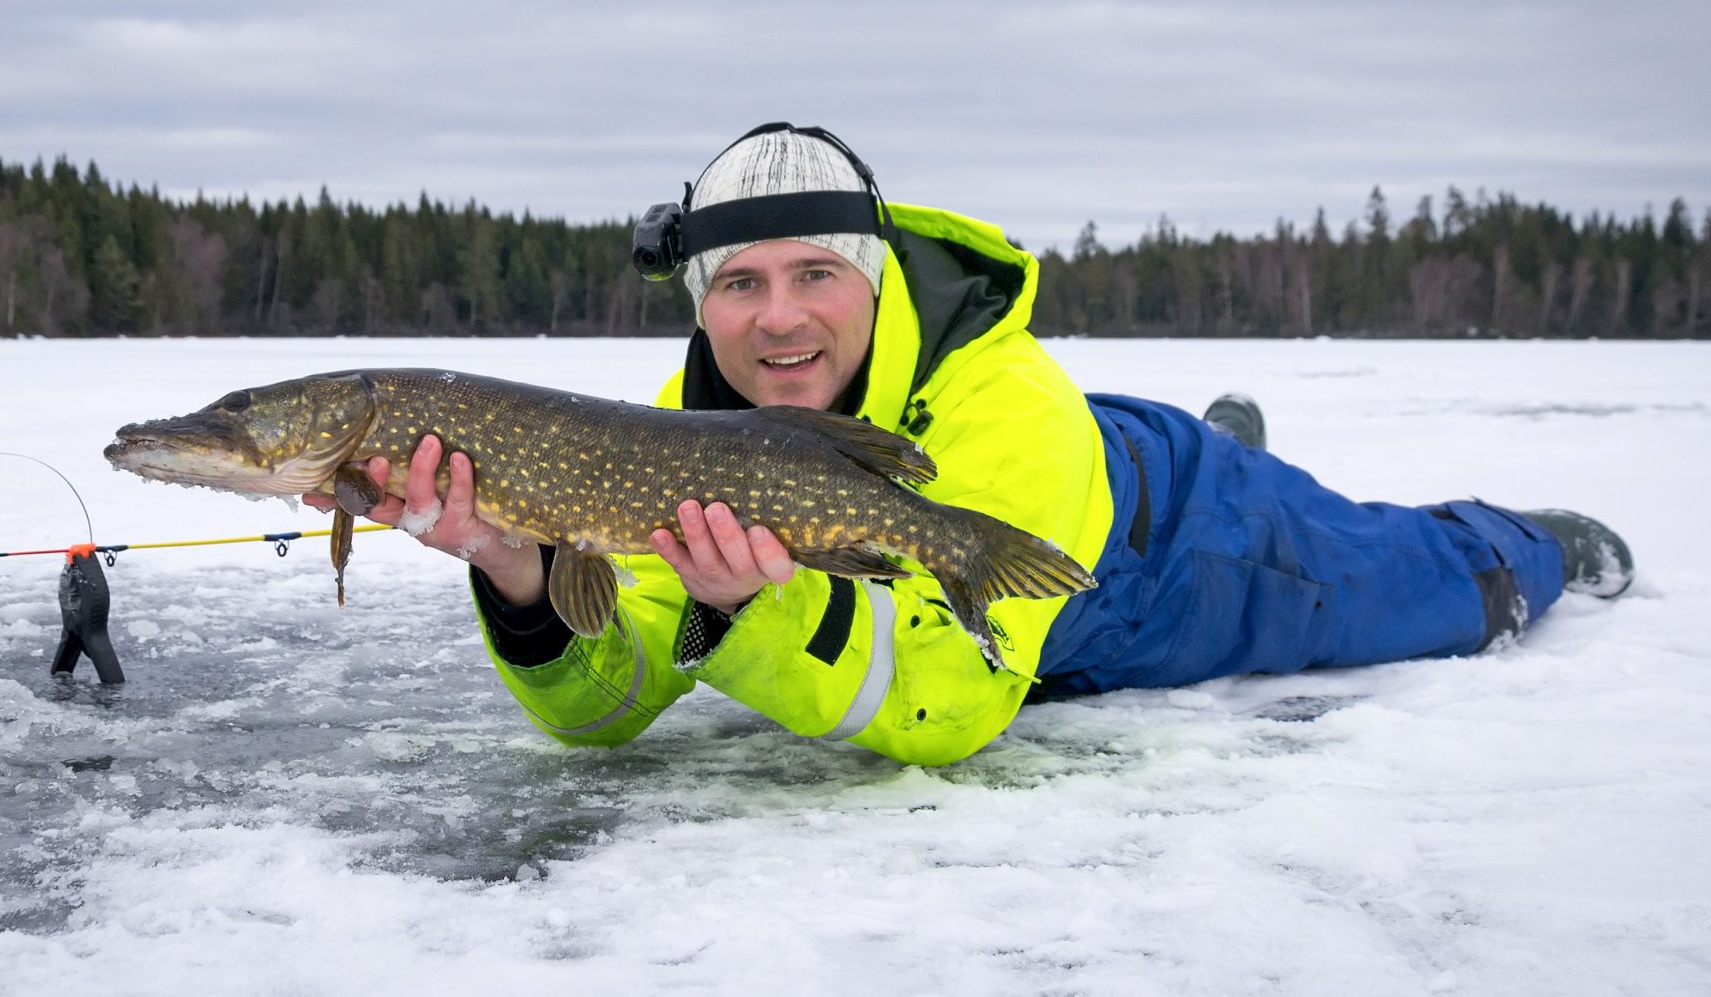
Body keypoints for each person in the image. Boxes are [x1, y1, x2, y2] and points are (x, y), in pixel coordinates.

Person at [317, 123, 1635, 766]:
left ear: (876, 280)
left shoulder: (1006, 404)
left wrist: (762, 613)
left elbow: (954, 704)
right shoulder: (681, 437)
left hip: (1168, 549)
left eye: (813, 275)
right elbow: (611, 702)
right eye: (738, 285)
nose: (775, 320)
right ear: (700, 299)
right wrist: (521, 575)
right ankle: (1236, 433)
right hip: (1026, 479)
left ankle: (1524, 544)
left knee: (1401, 585)